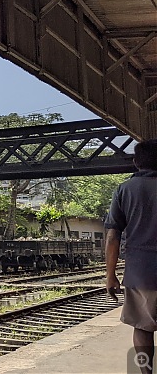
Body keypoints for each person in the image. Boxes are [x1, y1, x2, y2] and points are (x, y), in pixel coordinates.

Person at [105, 139, 157, 374]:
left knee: (142, 327)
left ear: (136, 163)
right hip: (141, 270)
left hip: (139, 272)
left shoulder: (124, 190)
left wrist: (110, 276)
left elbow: (113, 236)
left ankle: (146, 372)